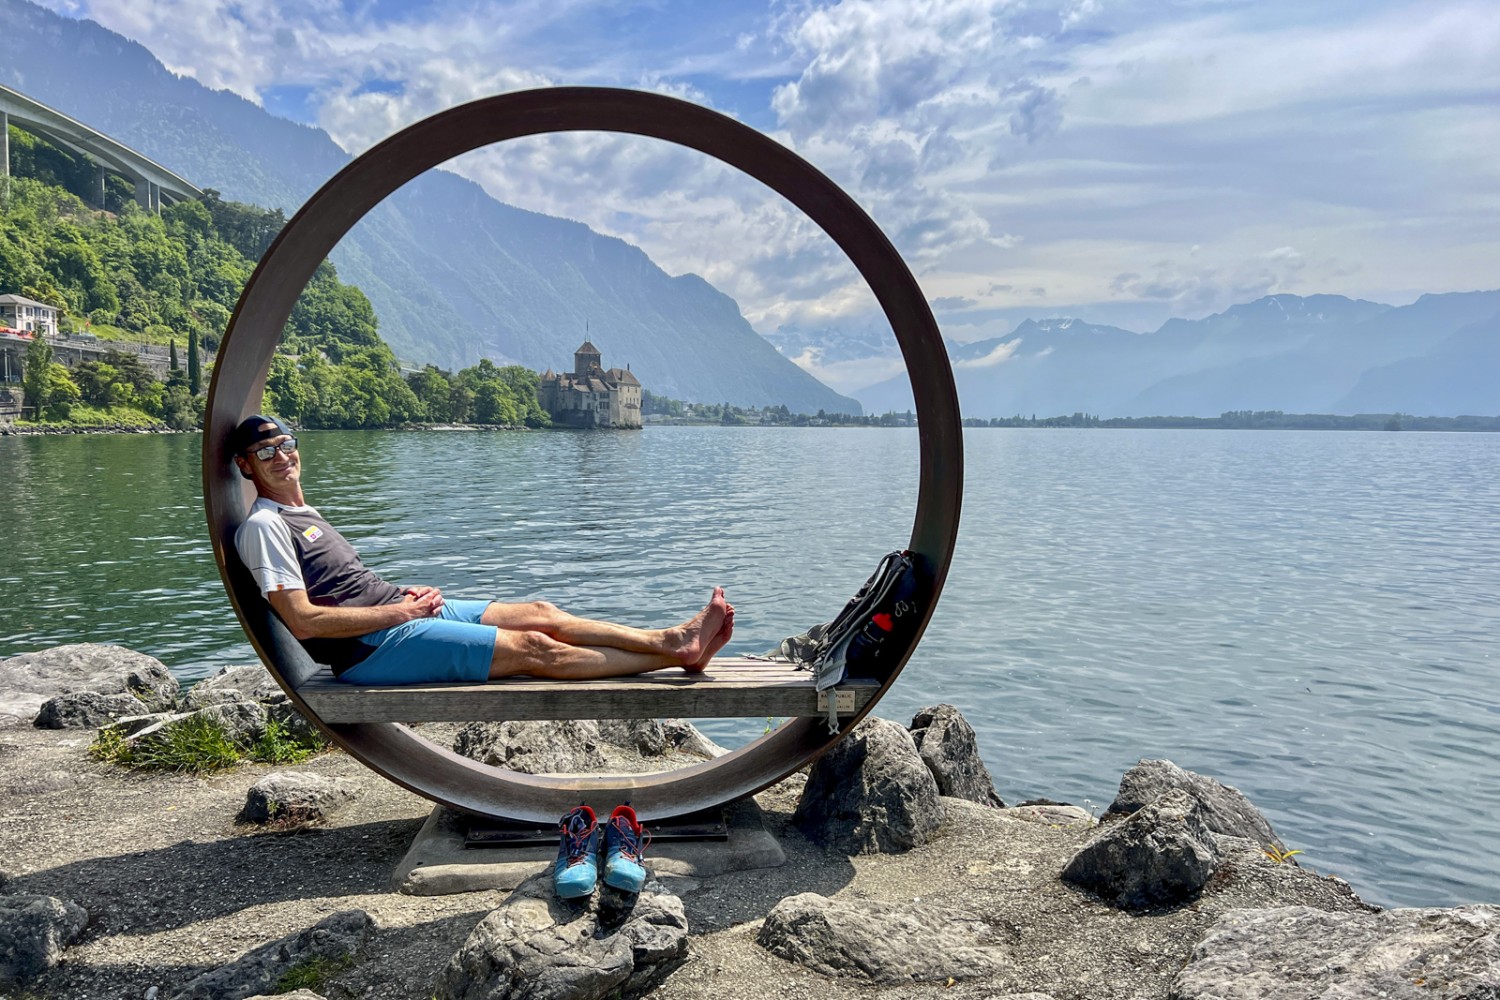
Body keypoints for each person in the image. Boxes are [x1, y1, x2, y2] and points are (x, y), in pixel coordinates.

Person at [229, 414, 734, 684]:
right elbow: (304, 622)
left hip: (396, 612)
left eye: (286, 443)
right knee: (537, 649)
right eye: (265, 452)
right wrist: (398, 613)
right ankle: (674, 653)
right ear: (245, 466)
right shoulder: (265, 526)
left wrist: (403, 596)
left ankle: (671, 640)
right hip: (369, 650)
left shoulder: (303, 513)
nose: (281, 456)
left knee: (540, 612)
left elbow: (346, 587)